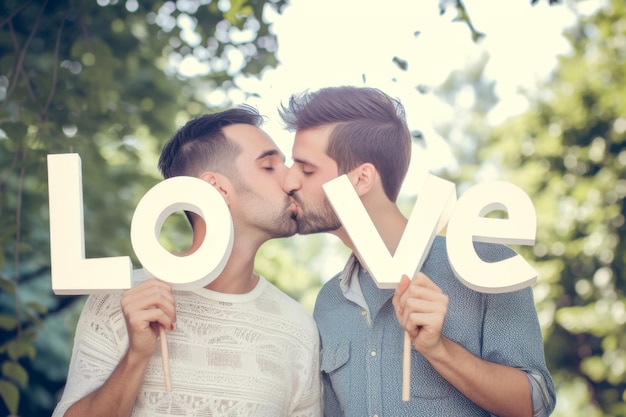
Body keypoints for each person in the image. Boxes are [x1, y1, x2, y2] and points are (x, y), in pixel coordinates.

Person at [279, 86, 556, 417]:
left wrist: (439, 350)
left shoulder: (487, 266)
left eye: (306, 169)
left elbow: (535, 403)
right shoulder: (329, 302)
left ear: (361, 179)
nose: (289, 181)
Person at [52, 106, 322, 417]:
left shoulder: (298, 327)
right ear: (216, 189)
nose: (291, 181)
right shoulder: (120, 300)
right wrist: (137, 356)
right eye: (269, 166)